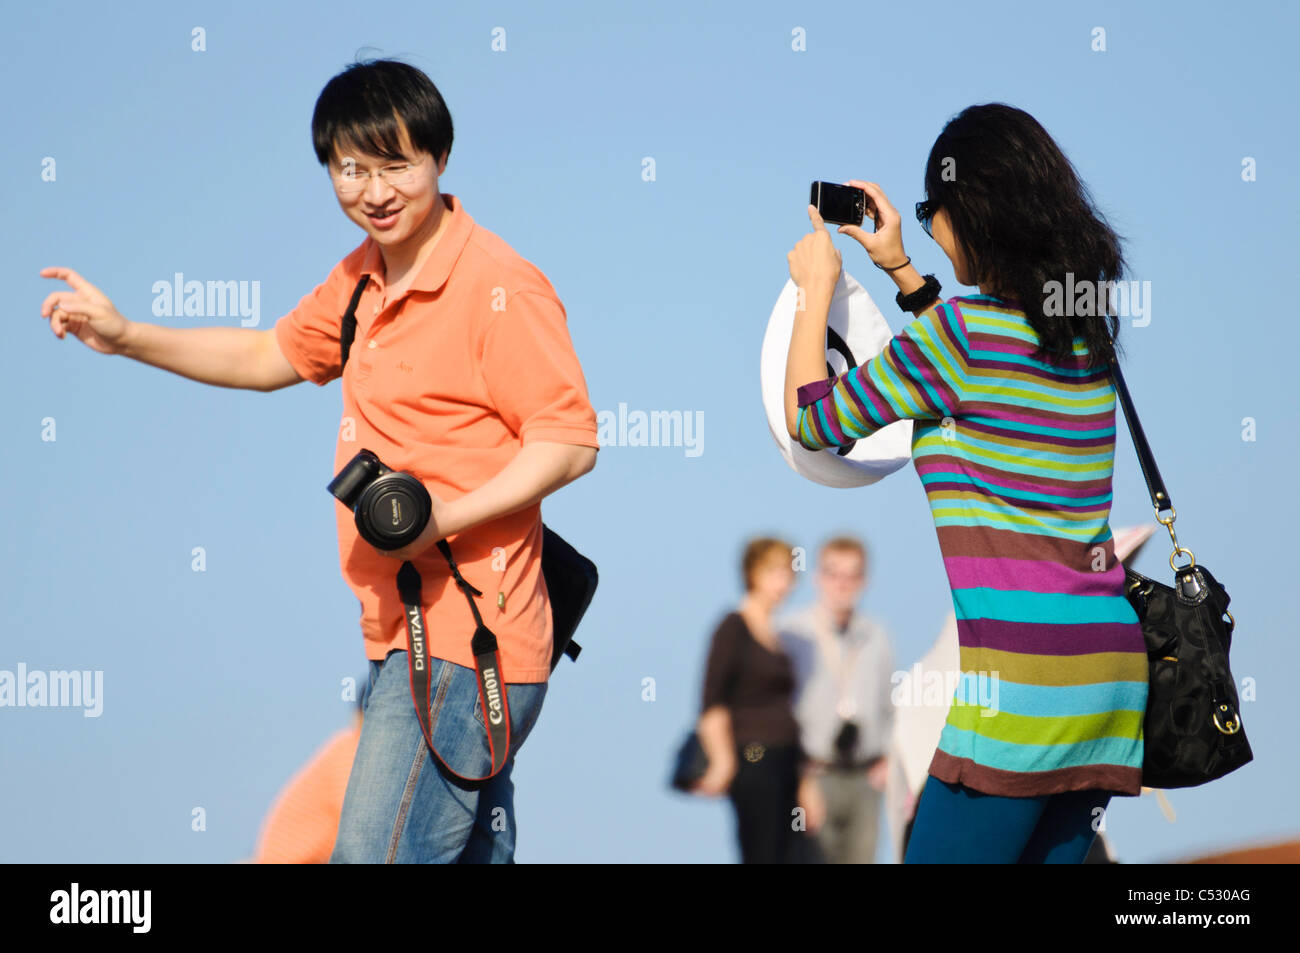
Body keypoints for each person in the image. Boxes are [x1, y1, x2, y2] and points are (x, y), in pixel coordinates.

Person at [40, 58, 600, 863]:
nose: (373, 190)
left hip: (462, 641)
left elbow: (570, 440)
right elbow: (267, 354)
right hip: (396, 636)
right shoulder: (358, 280)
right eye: (350, 168)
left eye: (396, 164)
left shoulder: (497, 285)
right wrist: (127, 336)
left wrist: (445, 516)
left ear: (440, 159)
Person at [783, 102, 1145, 863]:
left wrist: (816, 292)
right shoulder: (1081, 333)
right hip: (1104, 685)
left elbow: (814, 421)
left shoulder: (961, 340)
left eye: (930, 211)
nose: (929, 227)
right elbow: (974, 373)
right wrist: (898, 267)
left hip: (1019, 688)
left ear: (970, 210)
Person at [693, 536, 826, 863]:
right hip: (754, 760)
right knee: (762, 852)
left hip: (786, 761)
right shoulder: (733, 628)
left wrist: (805, 783)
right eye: (773, 571)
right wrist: (723, 761)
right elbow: (712, 703)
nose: (783, 582)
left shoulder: (778, 635)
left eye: (787, 572)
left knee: (795, 854)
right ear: (752, 573)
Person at [778, 535, 894, 864]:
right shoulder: (792, 633)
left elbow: (890, 705)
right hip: (814, 774)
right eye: (833, 573)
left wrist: (887, 760)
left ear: (864, 581)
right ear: (817, 577)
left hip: (864, 777)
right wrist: (800, 777)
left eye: (852, 575)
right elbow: (781, 710)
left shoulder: (877, 635)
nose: (842, 584)